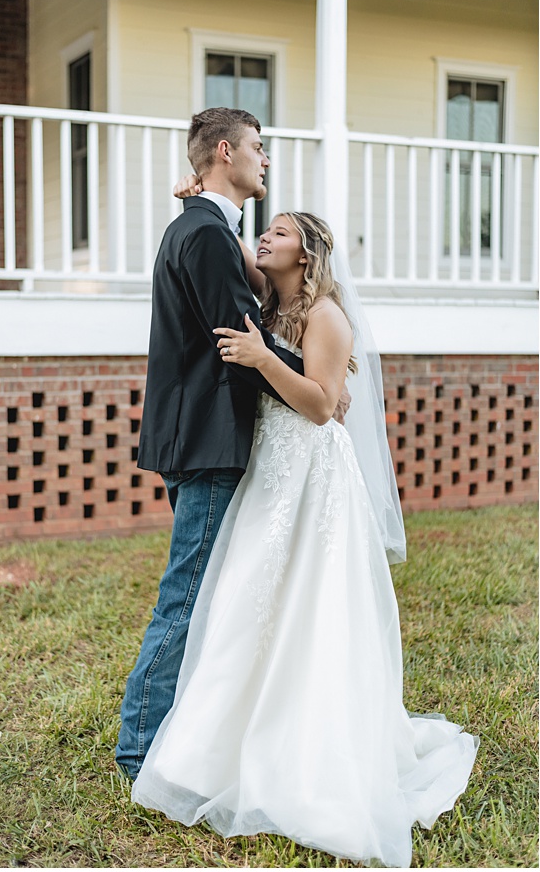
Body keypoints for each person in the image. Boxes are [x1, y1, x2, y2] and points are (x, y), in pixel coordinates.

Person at [130, 208, 478, 868]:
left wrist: (263, 358)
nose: (266, 238)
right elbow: (224, 242)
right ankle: (210, 747)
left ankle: (303, 754)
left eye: (280, 233)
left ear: (309, 254)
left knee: (306, 613)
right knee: (243, 604)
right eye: (264, 231)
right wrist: (197, 200)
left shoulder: (327, 317)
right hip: (268, 474)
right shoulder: (267, 302)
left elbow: (322, 405)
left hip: (313, 481)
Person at [115, 108, 346, 781]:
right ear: (225, 152)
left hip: (195, 434)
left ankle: (188, 728)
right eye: (257, 148)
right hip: (210, 439)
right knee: (187, 597)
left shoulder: (204, 226)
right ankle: (139, 751)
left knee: (207, 592)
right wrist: (316, 383)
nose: (265, 161)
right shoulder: (208, 234)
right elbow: (240, 337)